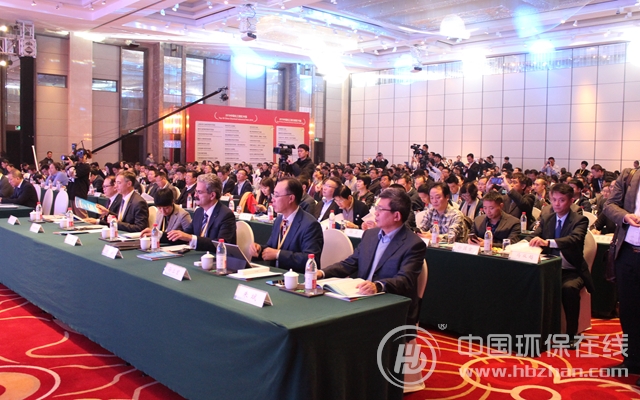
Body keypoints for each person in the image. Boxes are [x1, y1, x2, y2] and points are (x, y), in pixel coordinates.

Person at [318, 187, 426, 325]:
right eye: (376, 208)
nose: (375, 213)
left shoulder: (413, 244)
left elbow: (405, 280)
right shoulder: (370, 235)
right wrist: (321, 273)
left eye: (381, 209)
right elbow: (350, 263)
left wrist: (378, 286)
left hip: (391, 306)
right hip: (361, 299)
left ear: (397, 216)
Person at [525, 183, 594, 345]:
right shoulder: (547, 218)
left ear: (571, 201)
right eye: (554, 199)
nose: (557, 204)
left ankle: (571, 335)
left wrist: (548, 242)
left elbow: (574, 239)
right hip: (548, 268)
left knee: (568, 288)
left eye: (561, 200)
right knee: (527, 282)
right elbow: (534, 236)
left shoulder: (580, 220)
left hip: (571, 270)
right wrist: (520, 244)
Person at [603, 167, 640, 381]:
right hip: (627, 251)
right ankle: (632, 359)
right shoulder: (629, 175)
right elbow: (609, 205)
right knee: (628, 310)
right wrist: (625, 216)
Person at [249, 178, 323, 272]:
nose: (272, 199)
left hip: (296, 277)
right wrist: (259, 249)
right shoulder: (279, 220)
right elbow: (272, 247)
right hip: (275, 274)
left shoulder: (310, 225)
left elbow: (311, 259)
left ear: (291, 198)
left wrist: (278, 254)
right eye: (273, 195)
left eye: (276, 195)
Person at [166, 173, 236, 251]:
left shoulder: (226, 215)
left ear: (212, 195)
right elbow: (185, 236)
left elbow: (221, 245)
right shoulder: (199, 212)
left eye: (199, 192)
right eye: (195, 191)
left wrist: (191, 238)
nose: (195, 195)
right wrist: (160, 235)